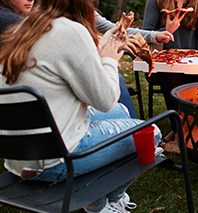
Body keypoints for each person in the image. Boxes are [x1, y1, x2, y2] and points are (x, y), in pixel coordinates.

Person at [0, 0, 161, 212]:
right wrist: (110, 60)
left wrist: (103, 47)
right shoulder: (72, 31)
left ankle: (103, 200)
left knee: (121, 112)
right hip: (54, 160)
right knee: (151, 133)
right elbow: (104, 100)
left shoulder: (24, 28)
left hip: (17, 156)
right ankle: (103, 203)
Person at [142, 0, 198, 142]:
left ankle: (192, 128)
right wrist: (166, 31)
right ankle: (178, 130)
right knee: (171, 74)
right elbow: (145, 36)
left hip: (190, 63)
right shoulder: (156, 2)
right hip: (160, 67)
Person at [94, 10, 174, 119]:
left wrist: (154, 36)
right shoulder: (70, 24)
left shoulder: (86, 12)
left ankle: (134, 127)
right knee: (118, 80)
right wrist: (110, 49)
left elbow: (113, 30)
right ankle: (135, 128)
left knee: (119, 80)